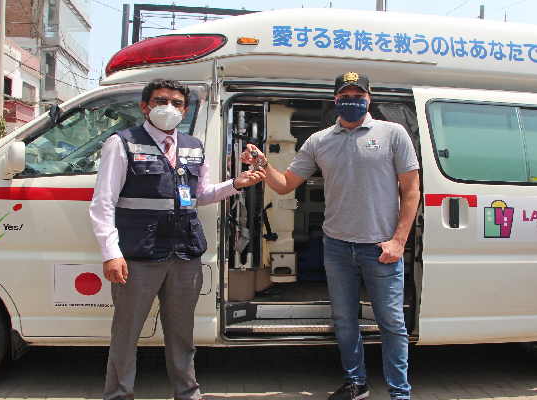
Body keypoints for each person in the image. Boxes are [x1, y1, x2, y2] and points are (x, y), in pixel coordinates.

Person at [240, 72, 420, 400]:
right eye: (345, 96)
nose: (352, 101)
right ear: (335, 100)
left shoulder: (393, 133)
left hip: (380, 248)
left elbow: (411, 191)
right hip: (336, 246)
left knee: (392, 323)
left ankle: (399, 393)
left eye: (358, 95)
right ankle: (356, 383)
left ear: (369, 98)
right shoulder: (319, 141)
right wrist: (262, 163)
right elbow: (285, 184)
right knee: (344, 320)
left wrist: (399, 242)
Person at [90, 78, 265, 400]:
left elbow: (201, 195)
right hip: (138, 257)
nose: (168, 108)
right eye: (160, 101)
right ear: (145, 107)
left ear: (185, 111)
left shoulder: (193, 146)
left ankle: (187, 393)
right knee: (126, 335)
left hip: (184, 256)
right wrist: (110, 253)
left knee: (182, 334)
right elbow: (103, 203)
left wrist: (235, 184)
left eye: (176, 103)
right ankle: (118, 395)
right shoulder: (122, 142)